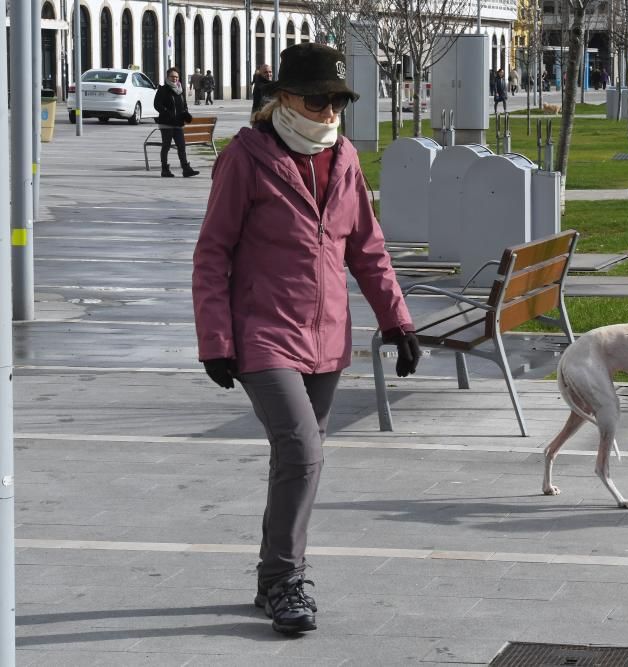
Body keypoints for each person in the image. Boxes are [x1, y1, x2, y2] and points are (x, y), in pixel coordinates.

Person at [192, 42, 420, 636]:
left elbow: (367, 248)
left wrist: (397, 321)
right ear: (284, 99)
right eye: (317, 100)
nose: (328, 112)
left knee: (297, 458)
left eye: (337, 101)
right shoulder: (245, 158)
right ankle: (288, 580)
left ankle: (272, 580)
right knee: (302, 450)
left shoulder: (342, 156)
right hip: (262, 332)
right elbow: (213, 253)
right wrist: (215, 339)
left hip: (327, 336)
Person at [153, 67, 199, 178]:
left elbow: (184, 105)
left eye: (176, 77)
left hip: (178, 123)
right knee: (166, 146)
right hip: (166, 123)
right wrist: (166, 112)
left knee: (181, 146)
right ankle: (165, 169)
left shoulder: (180, 90)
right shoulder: (163, 89)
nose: (174, 79)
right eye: (172, 76)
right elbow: (157, 104)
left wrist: (186, 113)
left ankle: (186, 169)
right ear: (167, 77)